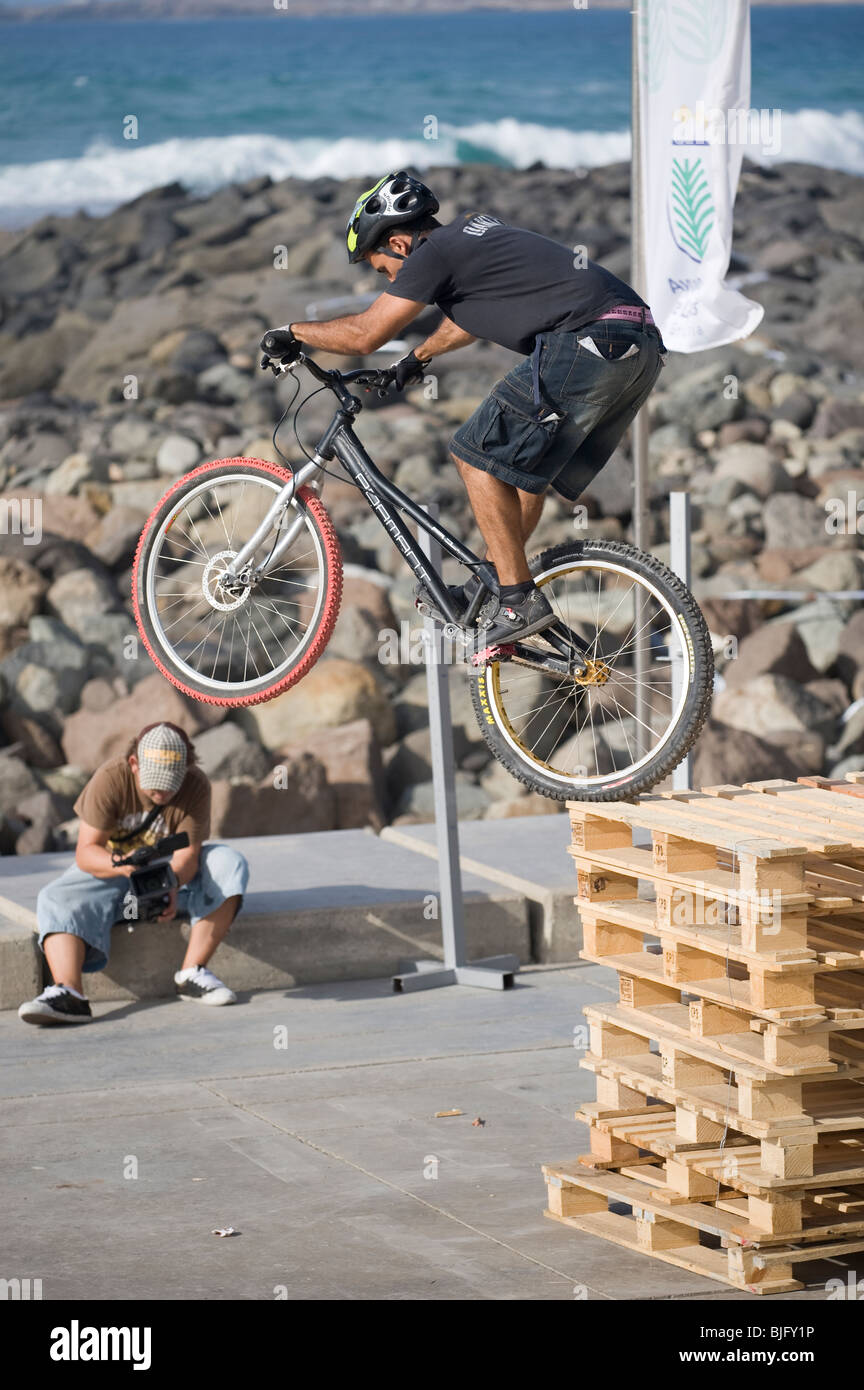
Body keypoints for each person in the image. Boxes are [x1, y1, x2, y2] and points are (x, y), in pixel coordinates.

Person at [265, 170, 667, 644]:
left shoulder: (432, 253)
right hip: (637, 347)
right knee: (523, 475)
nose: (391, 281)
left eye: (383, 270)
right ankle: (491, 587)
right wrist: (415, 358)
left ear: (398, 243)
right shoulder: (469, 238)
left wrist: (291, 333)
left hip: (590, 340)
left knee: (473, 455)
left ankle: (517, 601)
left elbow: (364, 334)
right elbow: (470, 318)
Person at [18, 722, 249, 1025]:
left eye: (171, 783)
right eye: (154, 782)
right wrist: (124, 864)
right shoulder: (111, 778)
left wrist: (171, 884)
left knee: (229, 863)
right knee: (55, 896)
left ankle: (193, 973)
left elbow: (188, 854)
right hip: (116, 868)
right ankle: (69, 993)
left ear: (188, 769)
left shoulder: (196, 785)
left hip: (170, 874)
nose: (162, 791)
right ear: (134, 764)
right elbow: (87, 851)